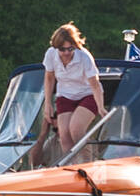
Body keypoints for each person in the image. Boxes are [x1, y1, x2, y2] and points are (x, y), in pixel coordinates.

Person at [42, 22, 107, 156]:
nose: (66, 53)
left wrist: (100, 107)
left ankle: (88, 163)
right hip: (65, 95)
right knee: (64, 134)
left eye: (70, 49)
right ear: (56, 47)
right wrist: (47, 103)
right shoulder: (50, 54)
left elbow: (95, 84)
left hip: (88, 94)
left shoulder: (84, 57)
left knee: (76, 129)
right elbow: (49, 78)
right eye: (62, 49)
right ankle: (72, 167)